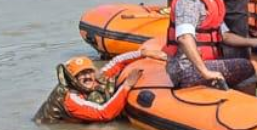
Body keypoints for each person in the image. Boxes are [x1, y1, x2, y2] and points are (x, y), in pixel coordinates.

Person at [34, 48, 162, 123]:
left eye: (89, 71)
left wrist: (143, 53)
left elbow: (117, 62)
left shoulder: (95, 77)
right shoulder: (69, 98)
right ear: (73, 79)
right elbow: (104, 113)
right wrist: (127, 85)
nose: (88, 76)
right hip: (51, 124)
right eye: (81, 74)